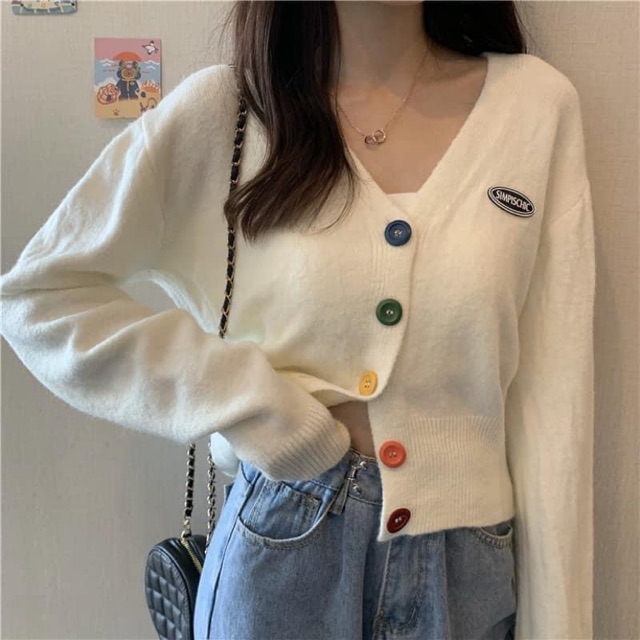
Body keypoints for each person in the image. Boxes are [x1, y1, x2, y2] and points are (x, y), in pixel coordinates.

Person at [0, 1, 595, 639]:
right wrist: (257, 409)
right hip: (280, 551)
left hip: (465, 570)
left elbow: (555, 405)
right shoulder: (229, 111)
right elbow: (40, 298)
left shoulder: (533, 107)